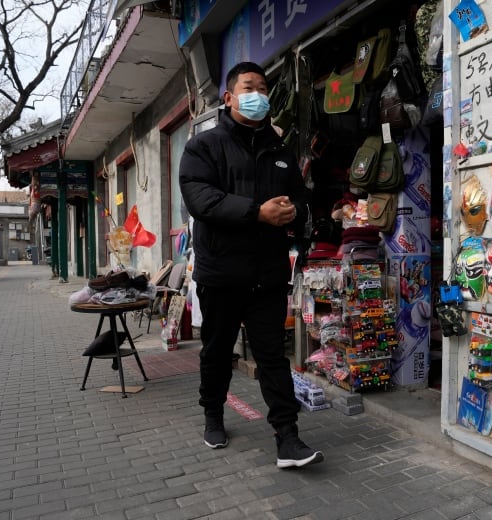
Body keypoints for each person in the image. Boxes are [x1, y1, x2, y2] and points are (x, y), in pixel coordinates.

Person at [179, 61, 323, 469]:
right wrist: (256, 212)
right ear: (229, 97)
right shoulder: (203, 147)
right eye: (249, 87)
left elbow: (301, 197)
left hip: (268, 274)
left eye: (263, 87)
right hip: (221, 274)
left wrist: (293, 211)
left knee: (272, 357)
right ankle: (213, 414)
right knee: (217, 351)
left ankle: (288, 438)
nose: (258, 94)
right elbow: (199, 198)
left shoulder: (280, 152)